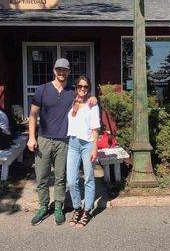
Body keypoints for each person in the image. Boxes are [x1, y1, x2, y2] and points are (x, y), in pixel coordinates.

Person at [27, 58, 96, 226]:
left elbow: (85, 96)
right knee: (42, 176)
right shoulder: (42, 90)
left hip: (64, 141)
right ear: (54, 70)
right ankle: (43, 206)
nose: (62, 72)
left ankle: (58, 206)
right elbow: (33, 115)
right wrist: (31, 136)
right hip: (43, 138)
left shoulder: (72, 92)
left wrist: (93, 98)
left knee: (60, 177)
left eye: (65, 70)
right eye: (59, 69)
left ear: (69, 72)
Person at [67, 75, 100, 228]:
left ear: (89, 88)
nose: (82, 89)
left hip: (87, 144)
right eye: (80, 86)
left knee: (88, 178)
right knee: (72, 179)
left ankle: (87, 210)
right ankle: (77, 208)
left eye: (85, 86)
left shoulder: (92, 105)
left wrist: (95, 147)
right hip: (73, 144)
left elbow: (95, 128)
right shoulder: (71, 101)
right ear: (76, 87)